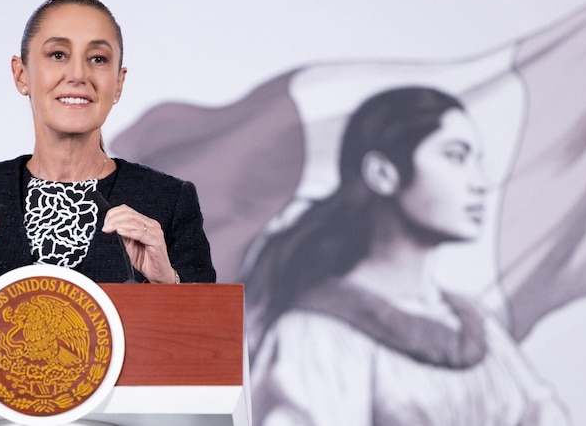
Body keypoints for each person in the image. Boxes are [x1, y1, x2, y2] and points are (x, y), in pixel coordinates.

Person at [242, 87, 568, 425]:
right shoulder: (317, 335)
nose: (481, 182)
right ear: (383, 174)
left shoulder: (480, 330)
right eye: (456, 156)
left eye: (477, 161)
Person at [0, 0, 216, 285]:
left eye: (97, 59)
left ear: (118, 84)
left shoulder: (169, 201)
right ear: (21, 74)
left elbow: (213, 331)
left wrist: (169, 284)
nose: (78, 74)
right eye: (58, 54)